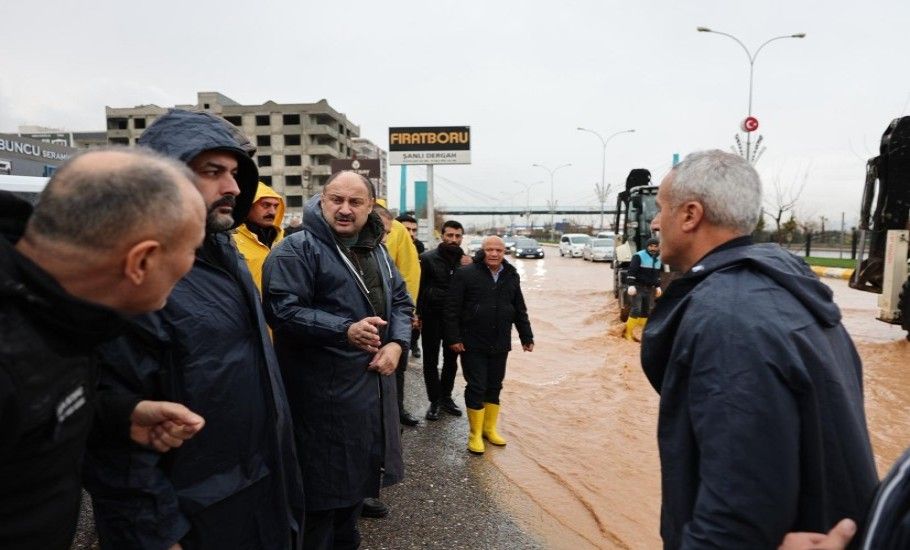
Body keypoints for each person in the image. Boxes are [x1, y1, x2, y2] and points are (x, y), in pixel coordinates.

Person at [83, 110, 304, 550]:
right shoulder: (133, 271)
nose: (233, 188)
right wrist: (157, 534)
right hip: (194, 516)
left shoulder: (222, 249)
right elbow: (114, 433)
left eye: (236, 173)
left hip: (260, 494)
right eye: (212, 171)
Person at [643, 150, 878, 548]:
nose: (654, 221)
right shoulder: (789, 292)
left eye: (661, 208)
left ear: (690, 215)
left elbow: (736, 514)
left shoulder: (727, 320)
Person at [0, 148, 209, 550]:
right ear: (142, 261)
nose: (191, 266)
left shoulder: (57, 310)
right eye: (191, 250)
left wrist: (115, 414)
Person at [263, 171, 409, 548]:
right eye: (336, 200)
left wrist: (396, 344)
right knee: (318, 497)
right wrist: (344, 329)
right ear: (322, 200)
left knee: (353, 490)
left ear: (369, 207)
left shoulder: (377, 249)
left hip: (368, 389)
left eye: (355, 202)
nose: (344, 210)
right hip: (318, 392)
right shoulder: (296, 250)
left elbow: (403, 304)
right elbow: (281, 310)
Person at [445, 235, 534, 455]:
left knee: (495, 386)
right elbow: (451, 308)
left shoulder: (511, 275)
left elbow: (519, 308)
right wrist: (454, 338)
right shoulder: (466, 274)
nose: (494, 254)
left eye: (499, 250)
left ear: (504, 252)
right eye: (490, 250)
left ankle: (489, 429)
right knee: (477, 386)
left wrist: (526, 336)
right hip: (472, 342)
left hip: (500, 341)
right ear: (482, 251)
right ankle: (474, 434)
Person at [417, 219, 472, 420]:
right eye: (450, 235)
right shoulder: (427, 258)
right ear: (442, 236)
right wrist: (417, 314)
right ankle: (434, 400)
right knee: (430, 360)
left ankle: (446, 397)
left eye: (457, 236)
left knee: (451, 359)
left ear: (462, 238)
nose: (453, 239)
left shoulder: (467, 262)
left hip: (456, 320)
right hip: (432, 316)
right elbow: (419, 289)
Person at [374, 203, 421, 428]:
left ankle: (396, 411)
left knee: (396, 366)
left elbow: (409, 275)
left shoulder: (393, 237)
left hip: (391, 319)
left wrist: (408, 313)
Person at [233, 181, 285, 291]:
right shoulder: (230, 240)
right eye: (266, 205)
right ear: (248, 206)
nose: (272, 211)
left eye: (275, 206)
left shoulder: (283, 239)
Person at [623, 237, 662, 340]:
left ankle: (641, 334)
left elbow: (657, 274)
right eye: (651, 246)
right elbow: (632, 271)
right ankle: (627, 333)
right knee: (636, 309)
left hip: (649, 288)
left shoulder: (658, 259)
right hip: (637, 287)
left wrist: (658, 286)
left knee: (646, 311)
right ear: (647, 246)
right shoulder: (639, 256)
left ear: (658, 247)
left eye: (655, 246)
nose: (653, 248)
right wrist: (631, 284)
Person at [396, 214, 424, 358]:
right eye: (407, 229)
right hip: (399, 297)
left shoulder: (419, 248)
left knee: (415, 325)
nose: (411, 234)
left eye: (414, 230)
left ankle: (414, 345)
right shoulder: (391, 246)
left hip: (416, 293)